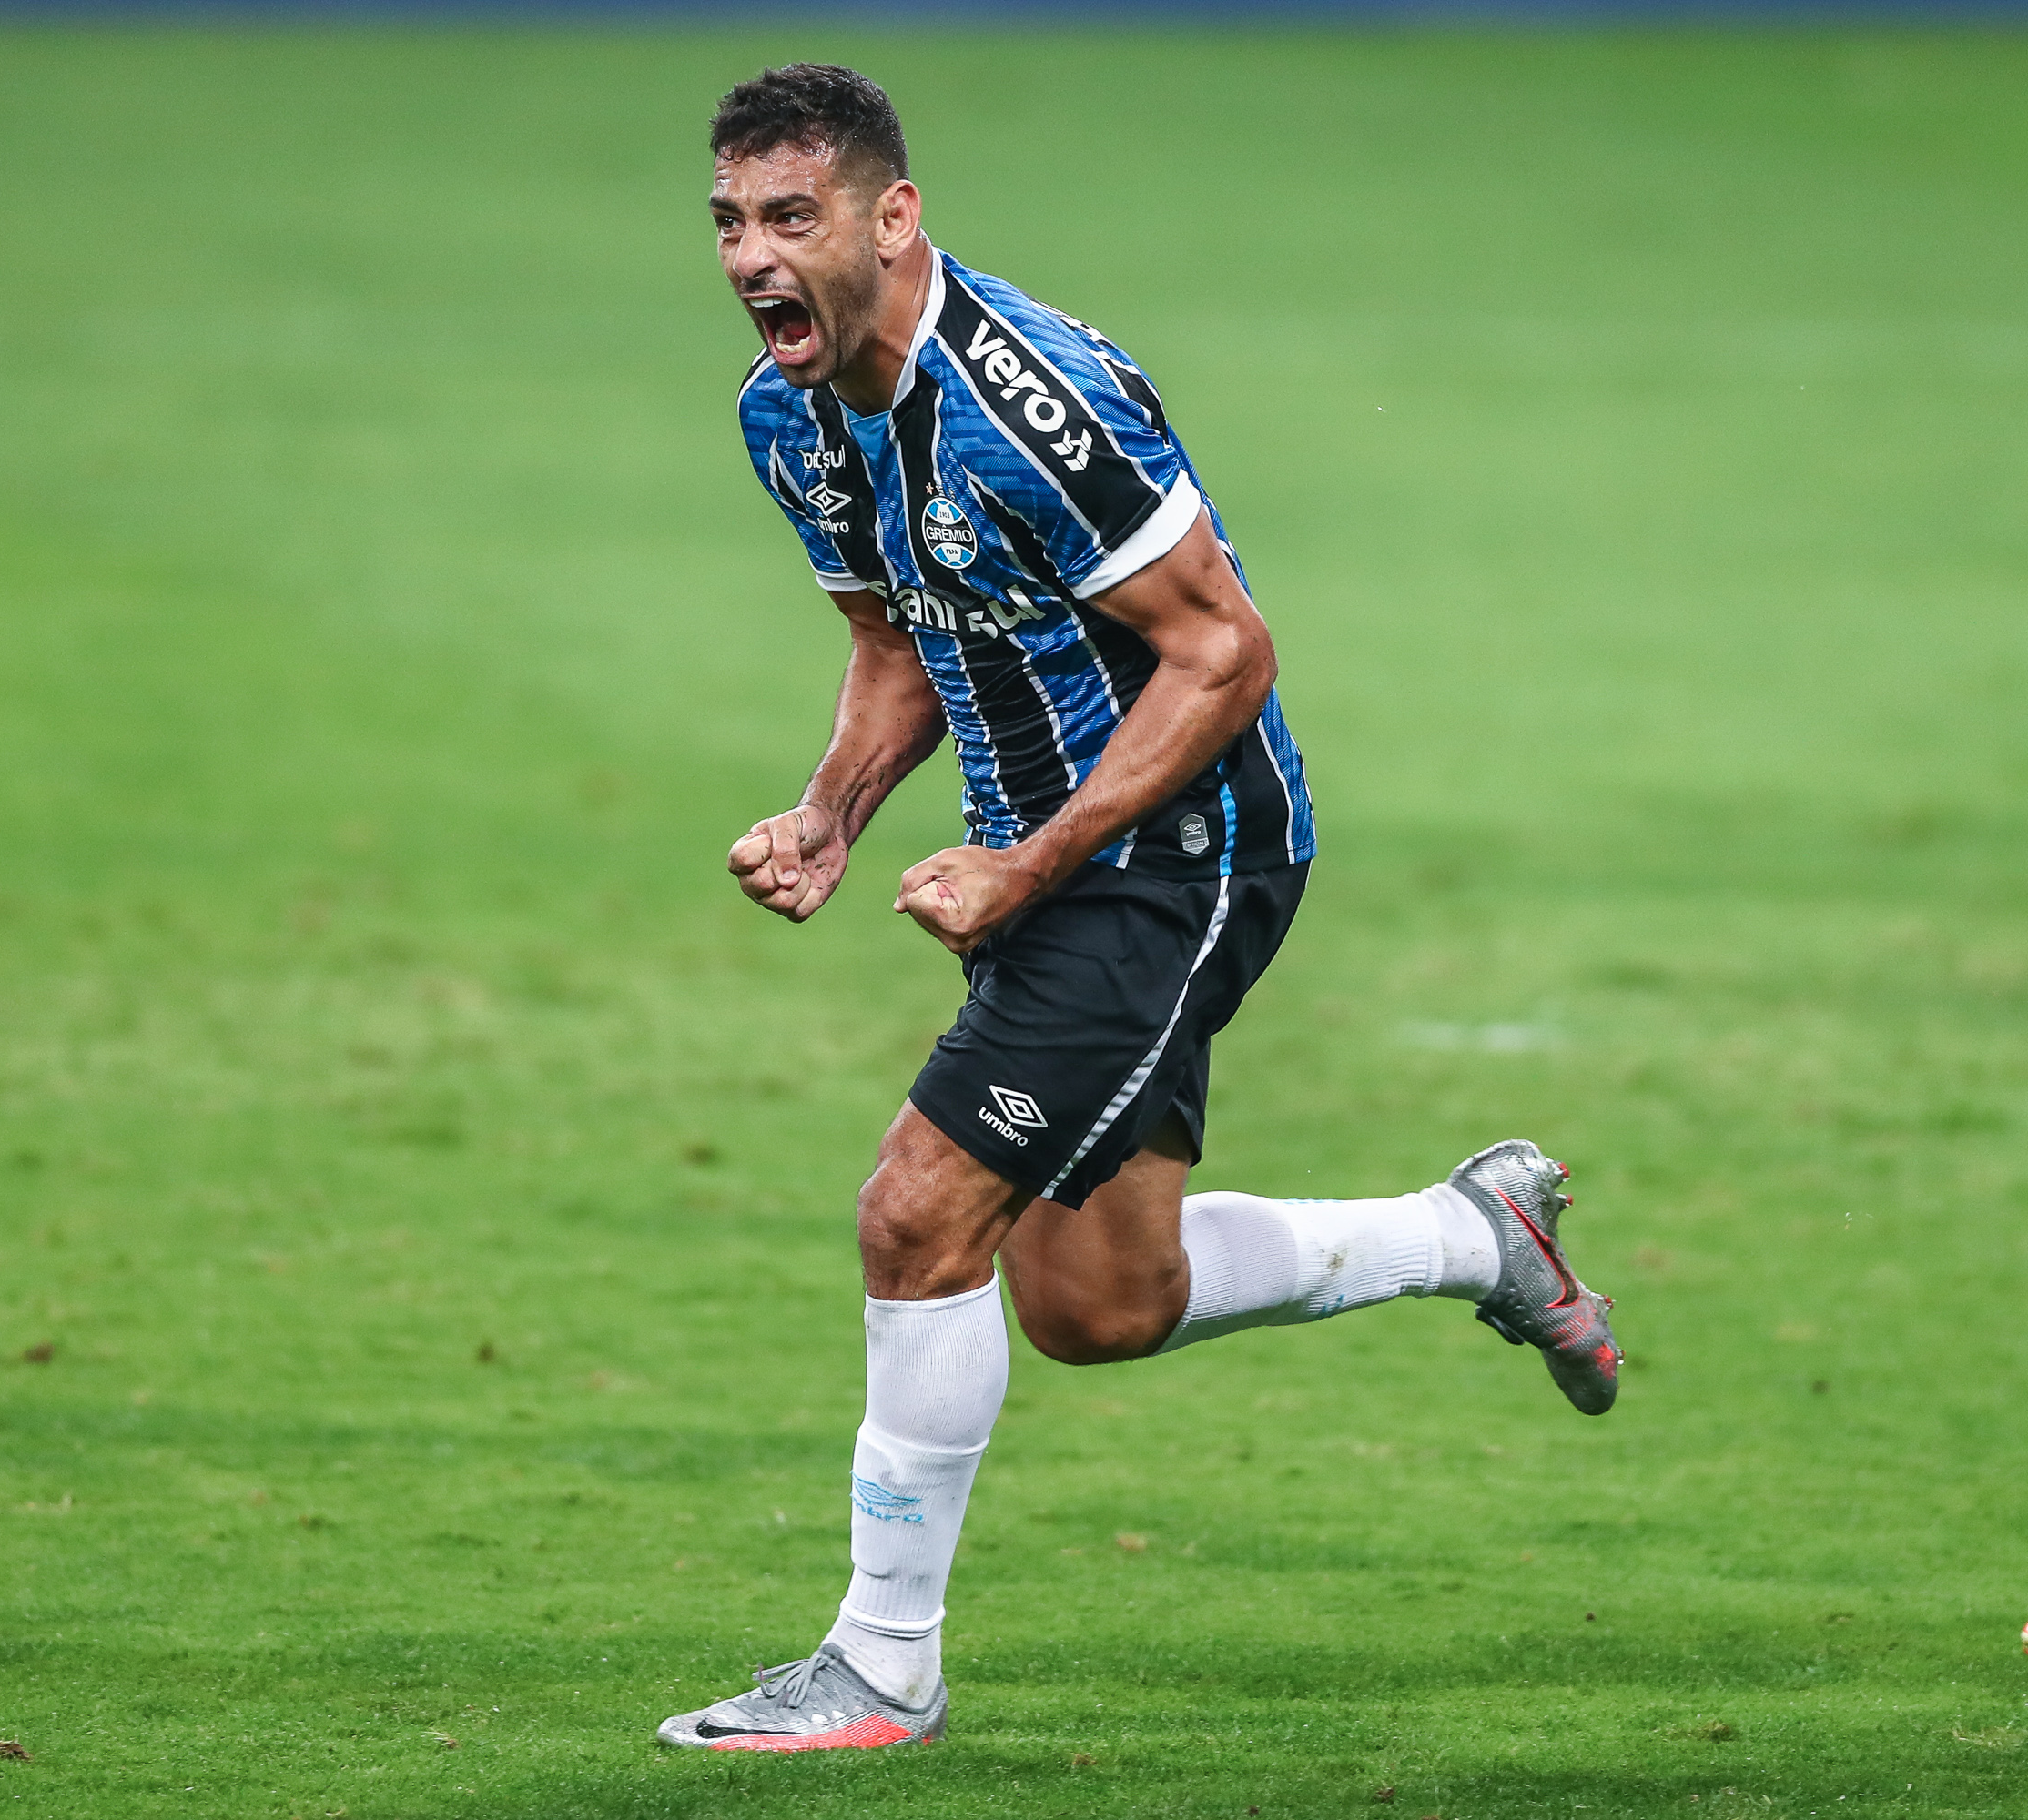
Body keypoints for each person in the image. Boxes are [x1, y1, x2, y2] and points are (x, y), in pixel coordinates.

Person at [656, 64, 1621, 1754]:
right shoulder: (786, 414)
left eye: (792, 216)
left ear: (894, 218)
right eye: (731, 221)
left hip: (1183, 855)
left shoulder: (1036, 404)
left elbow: (1224, 653)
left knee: (914, 1217)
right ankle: (1475, 1235)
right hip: (1051, 866)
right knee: (1097, 1303)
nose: (752, 256)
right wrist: (828, 816)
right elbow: (902, 637)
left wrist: (1029, 865)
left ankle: (880, 1670)